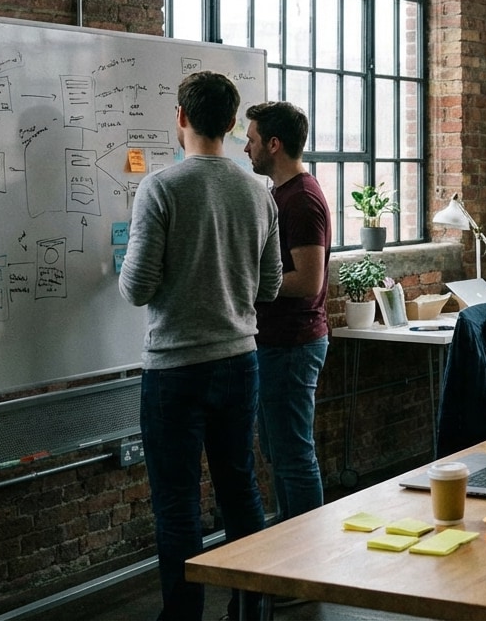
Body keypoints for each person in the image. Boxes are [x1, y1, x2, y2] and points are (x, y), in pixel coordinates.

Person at [119, 71, 282, 621]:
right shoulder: (258, 191)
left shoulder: (161, 188)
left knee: (178, 503)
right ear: (233, 125)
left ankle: (184, 616)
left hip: (175, 370)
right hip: (240, 361)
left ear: (181, 118)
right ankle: (250, 610)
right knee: (241, 492)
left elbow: (137, 287)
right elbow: (271, 286)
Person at [243, 101, 331, 524]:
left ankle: (304, 565)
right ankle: (290, 553)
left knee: (294, 456)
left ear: (274, 144)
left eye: (252, 139)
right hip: (278, 343)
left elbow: (308, 281)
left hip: (293, 346)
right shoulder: (279, 194)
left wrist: (248, 287)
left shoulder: (301, 200)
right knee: (280, 452)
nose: (246, 148)